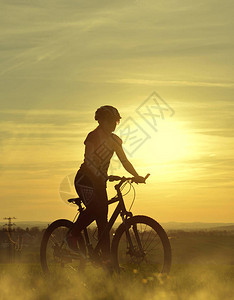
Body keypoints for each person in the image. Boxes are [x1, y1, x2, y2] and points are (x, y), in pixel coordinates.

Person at [66, 105, 145, 262]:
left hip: (100, 183)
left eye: (116, 121)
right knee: (96, 208)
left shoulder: (115, 140)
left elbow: (124, 161)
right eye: (110, 121)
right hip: (85, 180)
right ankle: (72, 234)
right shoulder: (93, 136)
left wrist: (136, 176)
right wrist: (100, 174)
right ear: (101, 121)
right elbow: (88, 159)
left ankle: (107, 263)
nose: (114, 124)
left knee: (104, 222)